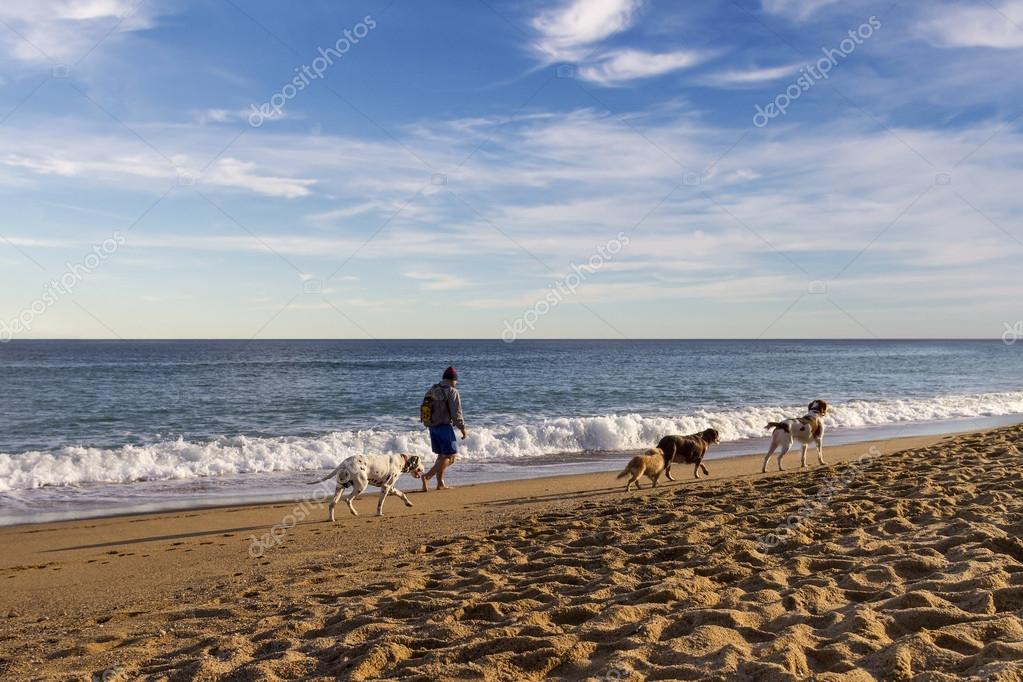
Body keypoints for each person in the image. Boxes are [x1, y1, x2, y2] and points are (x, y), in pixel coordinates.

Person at [422, 366, 467, 491]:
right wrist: (463, 428)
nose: (456, 383)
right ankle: (427, 476)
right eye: (456, 381)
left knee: (442, 456)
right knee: (451, 457)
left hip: (432, 427)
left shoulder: (433, 389)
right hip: (444, 427)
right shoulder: (452, 391)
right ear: (453, 380)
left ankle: (440, 483)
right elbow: (456, 413)